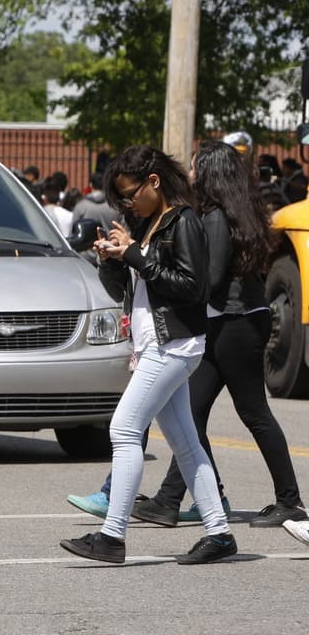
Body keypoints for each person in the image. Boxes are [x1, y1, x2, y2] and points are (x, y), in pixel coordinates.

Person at [60, 145, 237, 565]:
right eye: (120, 197)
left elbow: (194, 287)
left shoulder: (185, 221)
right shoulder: (151, 222)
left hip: (173, 345)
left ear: (154, 182)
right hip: (160, 344)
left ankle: (112, 536)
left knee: (122, 430)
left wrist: (136, 255)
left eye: (130, 193)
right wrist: (114, 261)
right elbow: (132, 289)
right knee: (186, 445)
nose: (126, 202)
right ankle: (220, 534)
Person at [130, 141, 306, 529]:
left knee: (252, 412)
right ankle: (169, 500)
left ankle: (290, 502)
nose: (190, 174)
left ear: (209, 172)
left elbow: (207, 281)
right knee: (190, 415)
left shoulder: (215, 218)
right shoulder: (231, 213)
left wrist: (160, 276)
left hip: (235, 324)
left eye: (194, 167)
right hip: (227, 322)